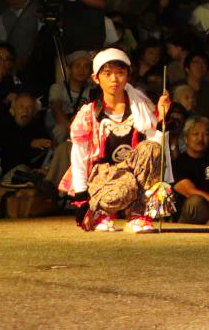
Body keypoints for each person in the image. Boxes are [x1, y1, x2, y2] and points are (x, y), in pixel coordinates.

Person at [61, 48, 171, 233]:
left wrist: (162, 120)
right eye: (107, 74)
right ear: (96, 78)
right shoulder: (90, 114)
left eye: (120, 73)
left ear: (128, 75)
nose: (114, 79)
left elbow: (156, 152)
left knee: (150, 149)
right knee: (123, 187)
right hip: (104, 177)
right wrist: (80, 199)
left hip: (133, 174)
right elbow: (79, 156)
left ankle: (139, 215)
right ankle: (101, 212)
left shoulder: (141, 108)